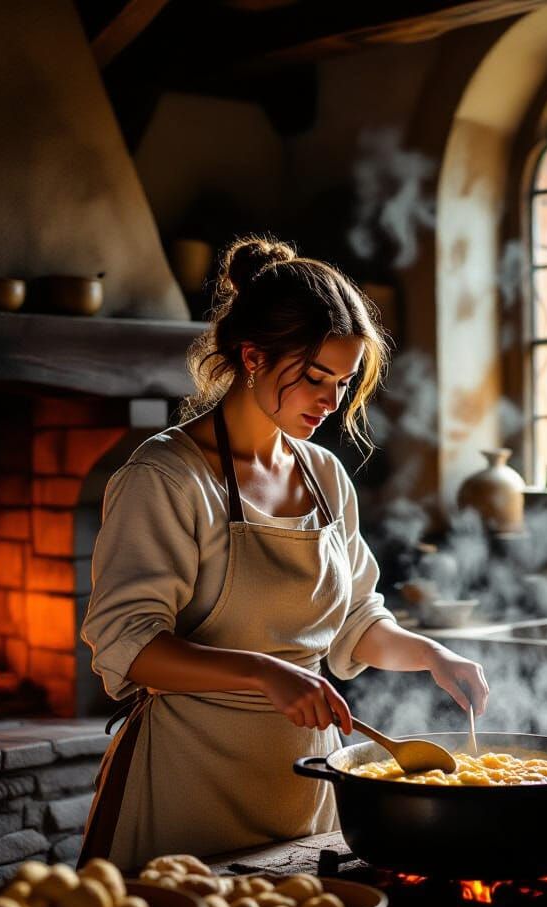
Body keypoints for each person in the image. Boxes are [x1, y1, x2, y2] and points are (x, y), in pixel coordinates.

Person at [79, 236, 489, 870]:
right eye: (315, 378)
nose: (330, 401)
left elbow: (356, 621)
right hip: (189, 782)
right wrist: (265, 672)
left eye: (345, 382)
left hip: (306, 784)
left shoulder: (324, 476)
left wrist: (430, 655)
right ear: (252, 357)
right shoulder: (166, 477)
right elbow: (130, 646)